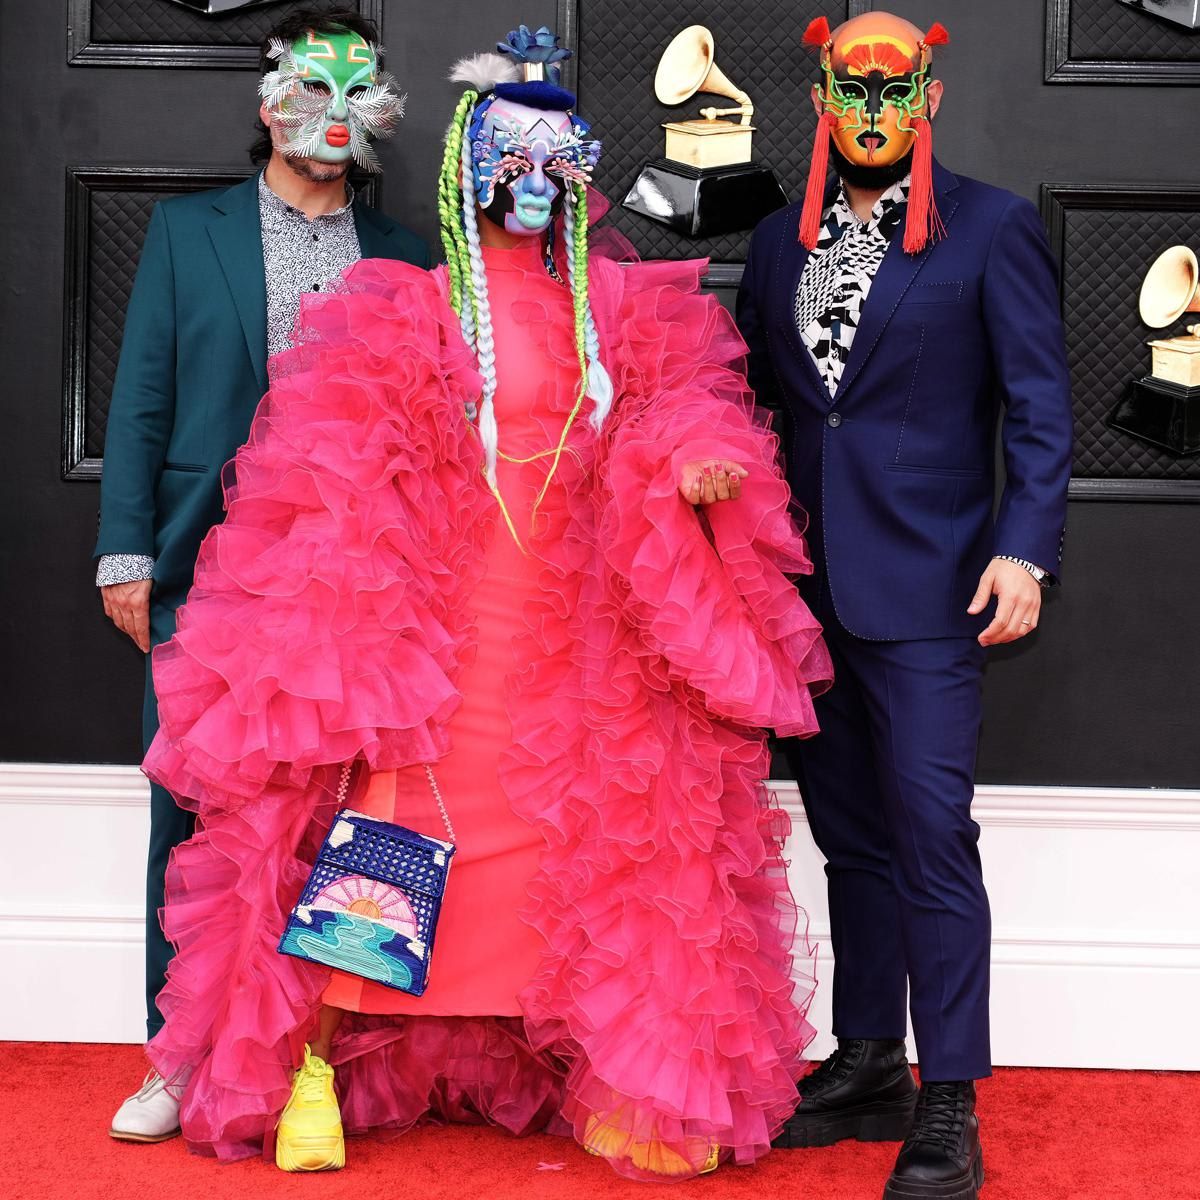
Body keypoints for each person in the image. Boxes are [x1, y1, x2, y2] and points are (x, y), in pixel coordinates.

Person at [138, 26, 833, 1181]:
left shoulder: (622, 306)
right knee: (361, 819)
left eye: (555, 161)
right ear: (470, 169)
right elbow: (334, 454)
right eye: (510, 158)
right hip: (438, 625)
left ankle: (621, 1079)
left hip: (583, 621)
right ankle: (311, 1070)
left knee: (606, 833)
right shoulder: (405, 306)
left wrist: (700, 458)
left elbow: (682, 402)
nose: (531, 181)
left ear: (580, 174)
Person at [736, 13, 1072, 1200]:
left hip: (933, 589)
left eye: (894, 91)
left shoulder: (991, 228)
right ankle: (871, 1055)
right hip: (805, 595)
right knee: (852, 836)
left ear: (926, 98)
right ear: (822, 97)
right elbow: (766, 410)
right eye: (849, 90)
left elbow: (1037, 404)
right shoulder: (780, 240)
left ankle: (949, 1096)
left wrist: (1024, 551)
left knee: (933, 836)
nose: (871, 111)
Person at [97, 6, 427, 1144]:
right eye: (311, 88)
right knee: (193, 823)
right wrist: (127, 551)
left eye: (357, 92)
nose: (332, 115)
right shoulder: (190, 234)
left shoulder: (408, 253)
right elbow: (141, 398)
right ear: (268, 100)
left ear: (379, 111)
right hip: (210, 571)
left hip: (360, 589)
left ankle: (324, 1070)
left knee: (346, 826)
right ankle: (177, 1060)